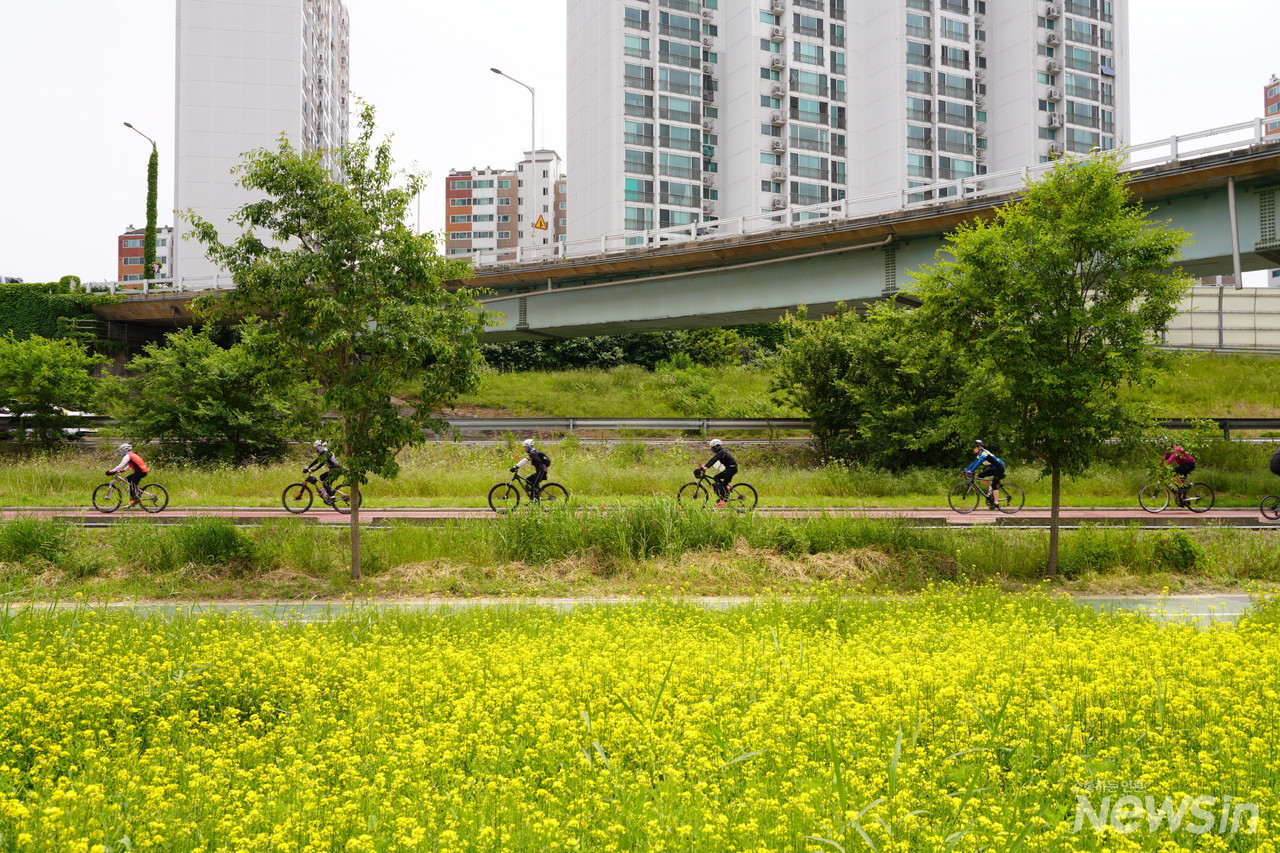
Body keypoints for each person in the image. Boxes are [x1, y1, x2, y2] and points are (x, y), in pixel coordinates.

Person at [965, 440, 1005, 509]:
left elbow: (978, 463)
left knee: (994, 485)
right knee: (980, 476)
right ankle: (991, 487)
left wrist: (971, 471)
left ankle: (996, 503)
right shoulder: (979, 455)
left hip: (999, 468)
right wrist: (966, 470)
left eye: (974, 447)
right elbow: (974, 463)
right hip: (994, 469)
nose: (973, 449)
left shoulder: (985, 453)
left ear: (980, 447)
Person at [699, 438, 738, 507]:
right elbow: (713, 460)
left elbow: (714, 459)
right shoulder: (721, 452)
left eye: (713, 447)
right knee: (716, 477)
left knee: (721, 485)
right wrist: (706, 466)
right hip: (730, 468)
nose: (712, 449)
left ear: (717, 446)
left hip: (732, 469)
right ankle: (726, 488)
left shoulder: (722, 452)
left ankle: (722, 501)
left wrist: (706, 467)